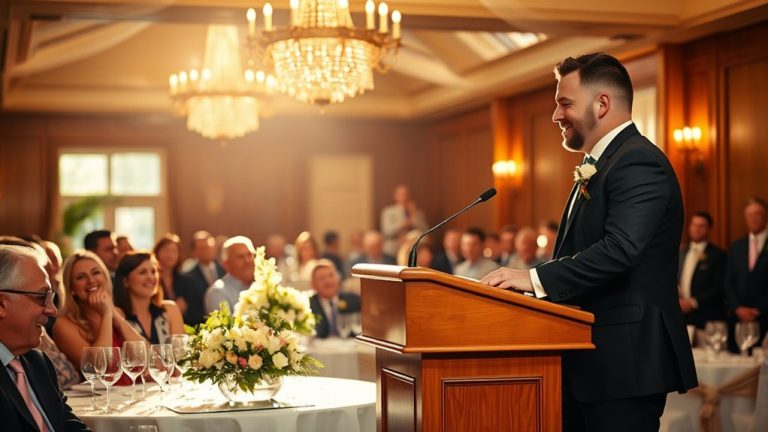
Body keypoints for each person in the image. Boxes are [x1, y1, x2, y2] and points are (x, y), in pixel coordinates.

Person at [481, 52, 697, 431]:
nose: (556, 116)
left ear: (602, 104)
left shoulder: (638, 161)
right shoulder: (602, 163)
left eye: (565, 103)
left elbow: (621, 250)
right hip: (590, 361)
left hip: (624, 365)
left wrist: (532, 278)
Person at [0, 245, 90, 431]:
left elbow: (69, 426)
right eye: (42, 297)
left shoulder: (38, 362)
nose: (52, 310)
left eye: (51, 297)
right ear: (1, 304)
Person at [53, 250, 144, 376]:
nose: (91, 280)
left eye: (96, 273)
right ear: (71, 288)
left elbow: (144, 356)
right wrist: (106, 315)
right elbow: (98, 367)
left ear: (105, 278)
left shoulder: (117, 312)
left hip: (131, 387)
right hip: (98, 389)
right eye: (81, 277)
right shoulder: (63, 325)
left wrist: (115, 315)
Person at [114, 252, 185, 344]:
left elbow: (180, 352)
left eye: (153, 271)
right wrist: (120, 321)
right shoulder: (117, 315)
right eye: (142, 272)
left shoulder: (170, 309)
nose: (151, 277)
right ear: (125, 281)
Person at [725, 197, 768, 349]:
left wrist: (759, 309)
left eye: (757, 214)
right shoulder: (736, 246)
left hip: (764, 318)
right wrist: (737, 307)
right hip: (737, 321)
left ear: (766, 215)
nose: (753, 218)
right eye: (749, 214)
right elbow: (728, 282)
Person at [678, 211, 726, 329]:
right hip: (681, 315)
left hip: (706, 316)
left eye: (701, 226)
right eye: (694, 225)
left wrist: (693, 302)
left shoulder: (718, 255)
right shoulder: (681, 252)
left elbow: (720, 286)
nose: (696, 229)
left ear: (709, 229)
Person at [308, 259, 361, 339]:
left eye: (331, 275)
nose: (328, 281)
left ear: (339, 278)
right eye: (321, 278)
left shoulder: (354, 301)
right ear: (313, 284)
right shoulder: (308, 305)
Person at [181, 230, 225, 325]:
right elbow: (191, 310)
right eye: (203, 248)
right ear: (194, 252)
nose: (207, 251)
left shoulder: (225, 270)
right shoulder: (188, 277)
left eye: (209, 247)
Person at [204, 236, 256, 314]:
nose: (247, 261)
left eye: (250, 255)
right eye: (240, 257)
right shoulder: (217, 293)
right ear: (226, 264)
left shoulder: (262, 286)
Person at [380, 184, 428, 257]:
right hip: (393, 251)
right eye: (402, 194)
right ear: (395, 196)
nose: (405, 197)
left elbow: (425, 233)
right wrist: (402, 224)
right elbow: (387, 232)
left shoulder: (417, 213)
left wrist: (414, 215)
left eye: (407, 195)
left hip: (413, 251)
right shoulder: (388, 212)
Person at [153, 234, 189, 318]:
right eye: (166, 250)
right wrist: (173, 309)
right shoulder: (152, 279)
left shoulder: (186, 280)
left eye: (174, 251)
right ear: (157, 252)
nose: (170, 255)